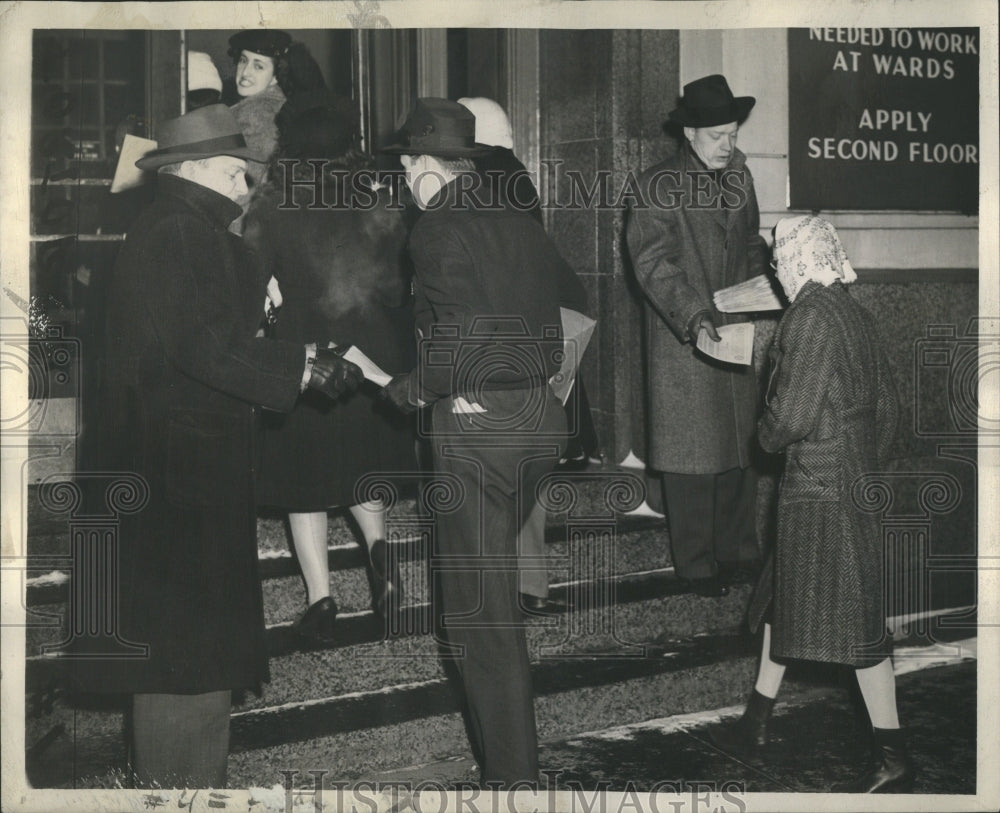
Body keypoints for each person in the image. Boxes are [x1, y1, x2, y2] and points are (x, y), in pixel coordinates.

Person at [70, 104, 363, 788]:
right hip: (178, 487)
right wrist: (299, 368)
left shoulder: (176, 227)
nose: (246, 188)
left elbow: (198, 338)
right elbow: (205, 347)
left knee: (193, 664)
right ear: (195, 169)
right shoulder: (180, 230)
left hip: (174, 476)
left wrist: (286, 350)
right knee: (184, 667)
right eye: (237, 173)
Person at [381, 98, 587, 786]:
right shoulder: (519, 220)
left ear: (427, 166)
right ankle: (513, 765)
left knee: (478, 623)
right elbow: (561, 321)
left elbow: (454, 341)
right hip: (538, 423)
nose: (406, 179)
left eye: (409, 165)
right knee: (495, 607)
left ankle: (513, 782)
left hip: (477, 431)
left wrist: (411, 389)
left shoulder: (435, 229)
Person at [710, 215, 908, 793]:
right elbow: (890, 413)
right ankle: (755, 721)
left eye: (779, 260)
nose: (776, 270)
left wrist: (765, 436)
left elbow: (789, 418)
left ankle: (894, 756)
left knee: (857, 626)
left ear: (797, 261)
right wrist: (862, 461)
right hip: (853, 480)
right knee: (782, 598)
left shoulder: (810, 316)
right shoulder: (855, 312)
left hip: (821, 490)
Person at [244, 90, 416, 643]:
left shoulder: (274, 205)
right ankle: (381, 558)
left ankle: (321, 599)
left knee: (304, 484)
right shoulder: (377, 197)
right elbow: (395, 287)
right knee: (362, 471)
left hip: (307, 356)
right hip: (371, 352)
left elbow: (251, 281)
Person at [626, 74, 766, 597]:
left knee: (738, 450)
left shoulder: (740, 176)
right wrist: (694, 316)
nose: (728, 145)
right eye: (717, 137)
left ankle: (738, 552)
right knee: (692, 457)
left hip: (739, 327)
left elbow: (751, 241)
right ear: (690, 135)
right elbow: (653, 263)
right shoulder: (655, 184)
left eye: (732, 133)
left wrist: (762, 295)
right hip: (683, 338)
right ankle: (698, 565)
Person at [456, 96, 594, 616]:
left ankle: (493, 591)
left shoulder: (472, 179)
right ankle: (531, 583)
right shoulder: (517, 178)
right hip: (547, 333)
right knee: (530, 465)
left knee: (488, 472)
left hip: (495, 341)